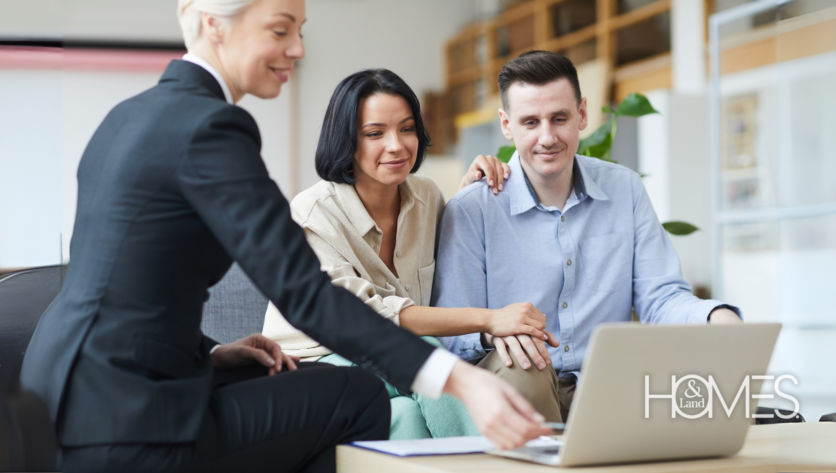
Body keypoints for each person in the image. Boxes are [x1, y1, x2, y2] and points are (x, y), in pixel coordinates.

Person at [18, 2, 552, 472]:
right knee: (357, 395)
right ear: (214, 25)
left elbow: (132, 283)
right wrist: (457, 379)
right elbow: (307, 292)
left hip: (60, 391)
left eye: (299, 29)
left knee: (310, 389)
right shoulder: (211, 128)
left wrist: (215, 353)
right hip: (127, 418)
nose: (297, 47)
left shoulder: (130, 116)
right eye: (280, 30)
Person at [433, 50, 743, 424]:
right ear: (506, 124)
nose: (547, 137)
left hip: (608, 382)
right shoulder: (471, 209)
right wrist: (491, 332)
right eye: (530, 122)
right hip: (518, 385)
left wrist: (715, 317)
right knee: (524, 364)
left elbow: (659, 298)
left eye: (559, 118)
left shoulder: (624, 189)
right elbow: (450, 333)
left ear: (581, 114)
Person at [263, 68, 559, 440]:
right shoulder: (312, 212)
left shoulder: (427, 197)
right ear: (345, 140)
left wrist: (470, 194)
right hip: (314, 362)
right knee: (425, 352)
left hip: (389, 369)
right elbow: (366, 317)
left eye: (406, 129)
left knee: (402, 415)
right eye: (375, 133)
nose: (397, 145)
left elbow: (455, 250)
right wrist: (490, 319)